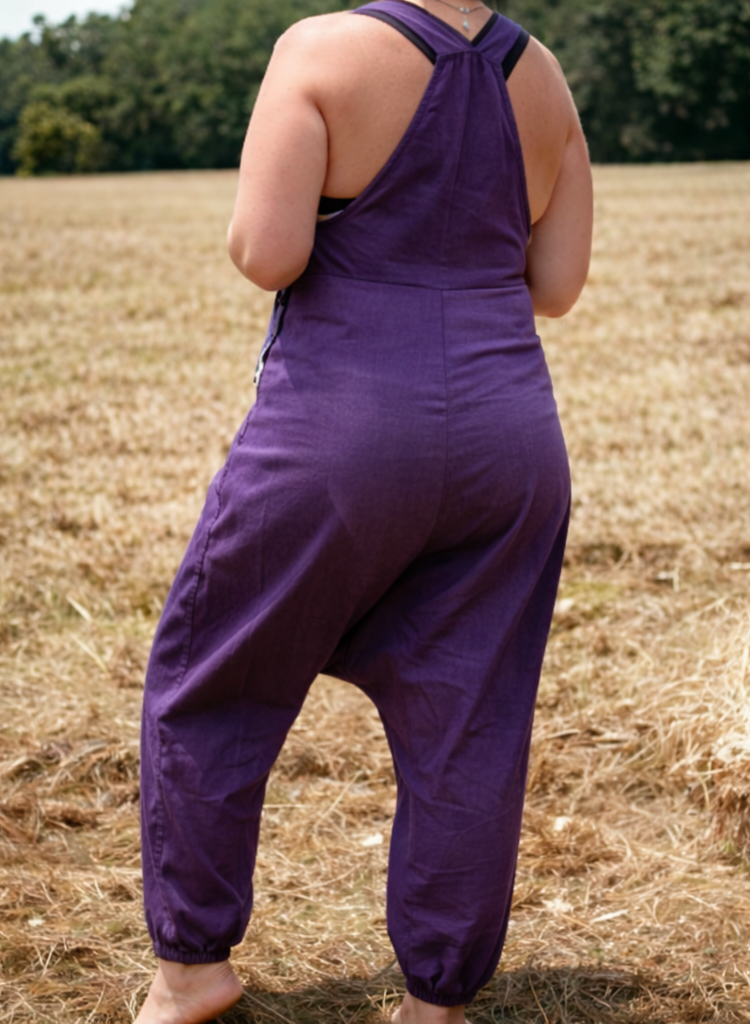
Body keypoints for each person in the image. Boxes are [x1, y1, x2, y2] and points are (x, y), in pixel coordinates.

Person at [134, 1, 592, 1021]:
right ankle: (437, 1000)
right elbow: (555, 284)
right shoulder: (544, 77)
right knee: (471, 719)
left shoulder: (320, 49)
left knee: (211, 679)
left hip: (343, 427)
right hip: (510, 439)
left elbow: (268, 251)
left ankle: (192, 971)